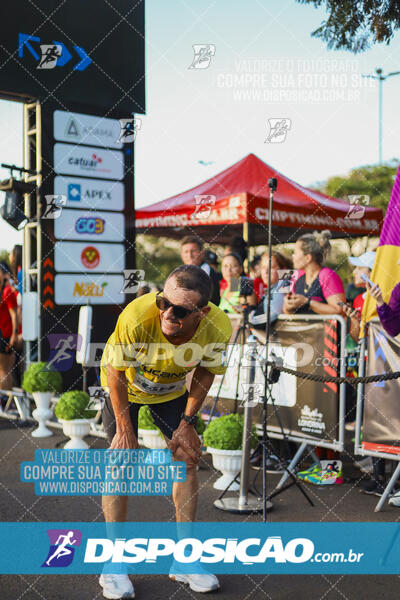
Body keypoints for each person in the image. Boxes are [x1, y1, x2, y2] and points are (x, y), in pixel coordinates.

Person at [99, 265, 232, 598]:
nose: (168, 313)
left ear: (202, 313)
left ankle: (184, 559)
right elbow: (115, 373)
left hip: (170, 392)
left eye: (181, 310)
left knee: (186, 459)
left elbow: (205, 372)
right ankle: (114, 563)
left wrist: (187, 424)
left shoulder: (217, 326)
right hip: (125, 388)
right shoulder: (137, 316)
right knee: (119, 462)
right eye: (163, 303)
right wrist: (125, 429)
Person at [283, 230, 345, 315]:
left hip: (322, 328)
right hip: (300, 327)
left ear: (308, 258)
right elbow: (287, 311)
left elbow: (340, 309)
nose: (293, 256)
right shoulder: (297, 275)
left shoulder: (327, 275)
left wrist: (307, 302)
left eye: (295, 253)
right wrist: (288, 305)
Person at [249, 250, 292, 328]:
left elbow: (270, 317)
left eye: (271, 267)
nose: (265, 272)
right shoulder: (276, 286)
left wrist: (248, 317)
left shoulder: (283, 287)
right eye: (263, 267)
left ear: (283, 269)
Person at [180, 235, 220, 306]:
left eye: (193, 251)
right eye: (186, 252)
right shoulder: (179, 273)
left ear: (202, 253)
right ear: (181, 255)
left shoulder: (208, 273)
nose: (190, 255)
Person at [0, 262, 18, 390]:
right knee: (4, 370)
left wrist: (14, 335)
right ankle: (6, 401)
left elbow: (14, 315)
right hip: (3, 334)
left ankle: (5, 401)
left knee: (4, 370)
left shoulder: (7, 291)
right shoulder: (3, 291)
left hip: (6, 335)